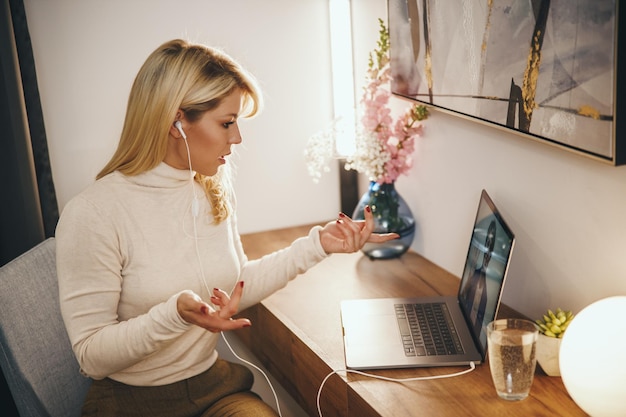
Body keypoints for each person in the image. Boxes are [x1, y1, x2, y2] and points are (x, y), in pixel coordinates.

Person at [55, 39, 399, 417]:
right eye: (227, 123)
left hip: (214, 388)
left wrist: (318, 245)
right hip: (129, 402)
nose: (237, 138)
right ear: (176, 122)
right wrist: (174, 315)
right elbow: (91, 358)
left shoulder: (210, 187)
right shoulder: (93, 213)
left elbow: (234, 285)